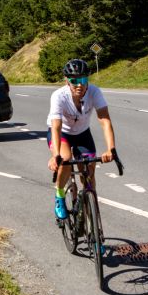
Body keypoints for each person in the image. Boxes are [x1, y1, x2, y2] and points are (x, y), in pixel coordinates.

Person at [46, 58, 117, 220]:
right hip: (62, 133)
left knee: (89, 171)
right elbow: (56, 126)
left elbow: (105, 120)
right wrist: (55, 154)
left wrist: (111, 149)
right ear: (67, 81)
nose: (79, 84)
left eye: (83, 79)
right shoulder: (58, 96)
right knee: (65, 159)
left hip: (82, 133)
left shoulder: (94, 92)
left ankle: (90, 209)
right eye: (74, 80)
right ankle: (60, 195)